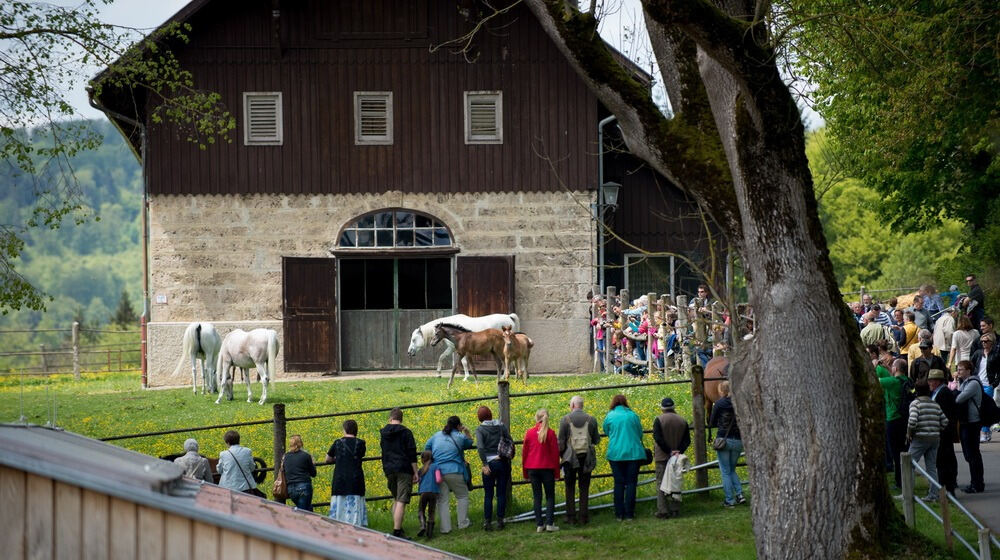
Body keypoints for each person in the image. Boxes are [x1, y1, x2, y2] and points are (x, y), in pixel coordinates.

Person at [424, 415, 473, 534]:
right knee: (462, 496)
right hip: (455, 470)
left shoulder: (436, 435)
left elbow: (427, 447)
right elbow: (470, 443)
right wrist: (466, 431)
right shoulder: (460, 436)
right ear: (458, 426)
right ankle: (463, 523)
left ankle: (445, 528)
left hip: (439, 473)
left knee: (442, 500)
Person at [558, 395, 600, 525]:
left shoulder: (565, 420)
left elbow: (561, 442)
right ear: (582, 405)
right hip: (586, 457)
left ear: (572, 406)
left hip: (570, 458)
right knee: (584, 487)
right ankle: (583, 516)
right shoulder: (591, 419)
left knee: (569, 487)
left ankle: (570, 516)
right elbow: (596, 440)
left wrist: (562, 456)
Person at [603, 394, 645, 520]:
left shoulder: (610, 416)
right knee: (631, 483)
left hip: (616, 454)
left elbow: (606, 430)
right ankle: (629, 513)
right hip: (633, 454)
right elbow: (639, 433)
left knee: (619, 483)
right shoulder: (633, 415)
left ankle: (619, 513)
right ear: (625, 403)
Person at [380, 407, 419, 538]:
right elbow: (412, 454)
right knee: (402, 500)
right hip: (403, 468)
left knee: (396, 498)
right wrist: (416, 472)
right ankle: (397, 531)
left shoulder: (384, 433)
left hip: (389, 469)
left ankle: (398, 527)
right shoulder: (406, 433)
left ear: (390, 418)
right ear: (401, 419)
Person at [906, 381, 948, 501]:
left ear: (916, 392)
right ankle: (933, 494)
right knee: (931, 467)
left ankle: (907, 494)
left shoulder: (915, 403)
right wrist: (936, 429)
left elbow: (913, 421)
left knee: (908, 465)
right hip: (934, 438)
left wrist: (909, 433)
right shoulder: (935, 404)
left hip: (920, 438)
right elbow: (945, 421)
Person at [475, 405, 513, 531]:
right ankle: (500, 520)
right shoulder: (501, 426)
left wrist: (485, 464)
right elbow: (510, 440)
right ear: (490, 415)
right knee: (501, 493)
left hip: (489, 464)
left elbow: (480, 447)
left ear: (479, 418)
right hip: (502, 462)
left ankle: (487, 521)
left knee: (488, 494)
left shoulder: (480, 429)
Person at [652, 397, 691, 518]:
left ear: (662, 408)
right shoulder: (682, 420)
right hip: (677, 458)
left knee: (661, 483)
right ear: (674, 407)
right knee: (675, 482)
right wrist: (678, 451)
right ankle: (675, 509)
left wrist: (669, 451)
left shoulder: (658, 420)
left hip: (662, 457)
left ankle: (663, 510)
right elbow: (687, 440)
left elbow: (658, 438)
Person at [523, 408, 561, 532]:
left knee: (537, 496)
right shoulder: (551, 433)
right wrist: (557, 472)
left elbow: (525, 453)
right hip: (547, 469)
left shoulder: (529, 432)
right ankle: (549, 523)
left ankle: (539, 524)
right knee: (550, 496)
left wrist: (525, 472)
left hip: (532, 468)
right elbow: (555, 455)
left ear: (536, 418)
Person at [709, 381, 745, 507]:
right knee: (732, 469)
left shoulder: (719, 403)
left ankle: (729, 500)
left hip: (724, 440)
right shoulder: (739, 403)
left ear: (721, 391)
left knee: (725, 471)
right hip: (738, 439)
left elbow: (711, 422)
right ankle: (740, 494)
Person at [325, 419, 368, 526]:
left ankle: (339, 524)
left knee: (340, 503)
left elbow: (327, 459)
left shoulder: (338, 443)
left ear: (344, 430)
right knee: (355, 503)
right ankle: (355, 525)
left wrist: (338, 458)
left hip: (340, 479)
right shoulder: (361, 443)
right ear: (356, 430)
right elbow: (360, 455)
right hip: (356, 479)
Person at [954, 360, 985, 494]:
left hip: (972, 423)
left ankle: (977, 483)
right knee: (970, 454)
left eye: (961, 369)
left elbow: (959, 398)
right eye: (958, 369)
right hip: (966, 422)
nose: (958, 371)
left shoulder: (972, 383)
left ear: (968, 371)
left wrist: (955, 388)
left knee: (973, 454)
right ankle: (976, 482)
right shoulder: (965, 383)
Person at [928, 369, 959, 496]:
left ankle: (948, 488)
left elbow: (945, 414)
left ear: (937, 381)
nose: (929, 382)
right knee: (942, 460)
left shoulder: (943, 393)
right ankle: (944, 487)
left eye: (931, 380)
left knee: (945, 460)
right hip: (940, 432)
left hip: (944, 432)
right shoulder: (937, 392)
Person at [877, 358, 906, 489]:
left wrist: (873, 365)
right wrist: (889, 369)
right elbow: (895, 376)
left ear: (895, 369)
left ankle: (899, 483)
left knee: (895, 453)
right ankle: (904, 480)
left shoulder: (892, 382)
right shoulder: (906, 380)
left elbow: (875, 380)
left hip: (893, 419)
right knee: (904, 451)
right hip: (904, 418)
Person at [970, 333, 1000, 442]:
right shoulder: (978, 353)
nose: (983, 343)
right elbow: (970, 365)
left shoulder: (996, 354)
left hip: (988, 385)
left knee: (984, 408)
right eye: (982, 341)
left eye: (986, 341)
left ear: (991, 342)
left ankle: (984, 432)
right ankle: (985, 431)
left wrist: (994, 384)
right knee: (976, 408)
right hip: (977, 384)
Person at [282, 434, 317, 510]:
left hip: (291, 490)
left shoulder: (285, 456)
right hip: (304, 487)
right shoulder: (306, 456)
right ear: (301, 444)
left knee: (307, 509)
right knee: (303, 512)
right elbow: (313, 474)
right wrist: (313, 463)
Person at [416, 450, 439, 539]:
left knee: (421, 510)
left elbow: (417, 480)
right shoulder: (436, 466)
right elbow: (438, 479)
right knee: (431, 511)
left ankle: (422, 526)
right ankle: (430, 532)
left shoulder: (421, 470)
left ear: (422, 459)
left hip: (423, 492)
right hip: (433, 492)